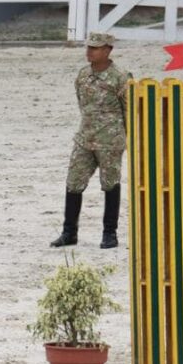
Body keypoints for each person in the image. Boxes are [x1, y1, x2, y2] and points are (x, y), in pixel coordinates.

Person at [50, 32, 132, 249]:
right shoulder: (83, 75)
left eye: (95, 48)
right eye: (88, 47)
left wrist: (125, 137)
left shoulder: (120, 77)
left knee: (110, 184)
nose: (90, 52)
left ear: (108, 50)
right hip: (85, 138)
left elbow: (130, 110)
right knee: (73, 183)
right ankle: (69, 232)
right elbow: (82, 103)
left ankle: (109, 234)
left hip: (110, 140)